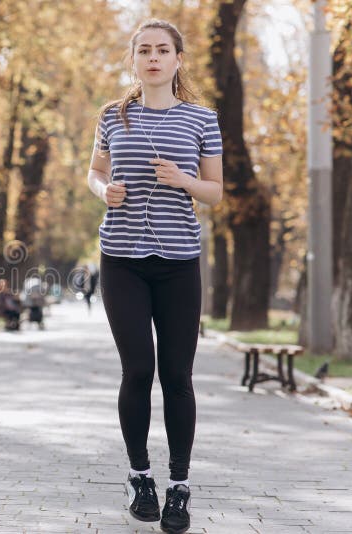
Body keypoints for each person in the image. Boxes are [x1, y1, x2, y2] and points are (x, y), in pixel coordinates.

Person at [86, 19, 223, 534]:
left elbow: (214, 192)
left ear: (178, 60)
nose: (153, 58)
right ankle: (140, 476)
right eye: (144, 50)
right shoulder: (112, 115)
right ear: (134, 60)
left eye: (163, 50)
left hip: (179, 262)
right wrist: (104, 192)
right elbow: (95, 171)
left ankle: (180, 486)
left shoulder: (202, 119)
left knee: (177, 376)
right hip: (121, 257)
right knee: (138, 369)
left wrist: (183, 180)